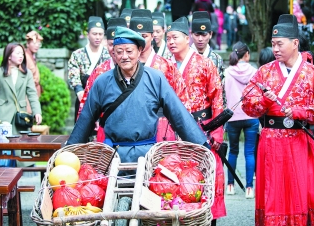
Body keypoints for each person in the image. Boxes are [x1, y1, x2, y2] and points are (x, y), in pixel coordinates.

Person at [241, 14, 314, 226]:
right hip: (271, 141)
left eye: (279, 44)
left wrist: (300, 111)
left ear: (295, 43)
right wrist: (264, 103)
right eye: (273, 45)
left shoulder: (312, 73)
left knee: (305, 191)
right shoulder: (264, 72)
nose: (275, 49)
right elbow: (247, 103)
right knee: (274, 191)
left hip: (300, 140)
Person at [67, 26, 210, 164]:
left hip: (147, 155)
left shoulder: (155, 78)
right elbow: (86, 119)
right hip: (113, 155)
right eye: (119, 52)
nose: (124, 57)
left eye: (129, 51)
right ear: (113, 53)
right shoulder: (102, 82)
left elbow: (178, 113)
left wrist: (201, 143)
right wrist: (69, 151)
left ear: (139, 50)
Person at [166, 17, 226, 223]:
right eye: (168, 39)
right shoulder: (166, 66)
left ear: (186, 38)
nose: (170, 42)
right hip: (174, 132)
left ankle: (208, 220)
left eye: (175, 37)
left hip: (202, 130)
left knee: (205, 179)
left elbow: (217, 98)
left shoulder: (205, 64)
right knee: (176, 180)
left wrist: (217, 132)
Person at [129, 10, 189, 142]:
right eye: (135, 36)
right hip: (131, 128)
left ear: (152, 36)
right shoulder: (124, 68)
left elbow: (182, 101)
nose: (140, 40)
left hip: (162, 129)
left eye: (144, 36)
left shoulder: (167, 66)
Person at [224, 41, 259, 199]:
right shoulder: (254, 72)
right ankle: (249, 188)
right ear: (247, 55)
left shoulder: (227, 72)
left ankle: (230, 185)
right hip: (251, 116)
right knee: (250, 152)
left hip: (232, 117)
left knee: (233, 151)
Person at [0, 43, 42, 135]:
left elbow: (32, 95)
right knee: (2, 146)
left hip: (20, 116)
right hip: (2, 115)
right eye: (18, 53)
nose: (21, 56)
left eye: (22, 54)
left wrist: (37, 112)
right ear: (9, 56)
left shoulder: (27, 74)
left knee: (20, 147)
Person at [77, 17, 128, 121]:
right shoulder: (99, 71)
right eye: (111, 44)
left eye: (119, 45)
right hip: (104, 126)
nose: (115, 49)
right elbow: (87, 106)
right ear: (106, 43)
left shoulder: (140, 70)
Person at [68, 16, 111, 123]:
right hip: (83, 97)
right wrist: (79, 91)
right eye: (94, 34)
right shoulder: (77, 54)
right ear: (88, 35)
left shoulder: (109, 54)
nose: (98, 37)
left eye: (100, 34)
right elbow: (73, 75)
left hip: (103, 99)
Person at [190, 11, 225, 107]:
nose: (200, 39)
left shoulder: (217, 59)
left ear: (210, 34)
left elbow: (221, 89)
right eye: (197, 35)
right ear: (191, 34)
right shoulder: (185, 57)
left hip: (211, 109)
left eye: (204, 35)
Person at [25, 30, 43, 113]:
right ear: (27, 44)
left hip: (34, 90)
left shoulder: (32, 56)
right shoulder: (24, 56)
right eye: (34, 43)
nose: (37, 46)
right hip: (27, 92)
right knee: (27, 115)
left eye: (38, 44)